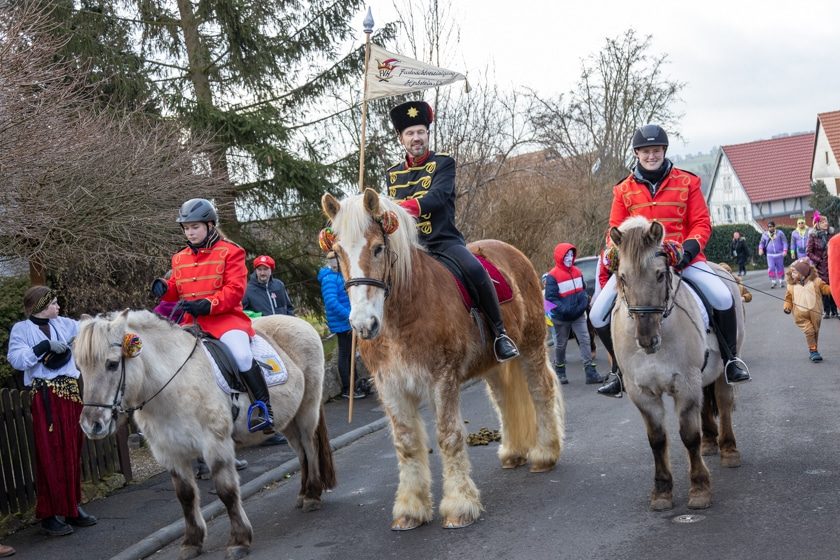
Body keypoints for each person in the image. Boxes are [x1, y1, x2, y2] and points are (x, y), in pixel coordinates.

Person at [590, 124, 751, 398]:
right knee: (597, 314)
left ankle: (731, 360)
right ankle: (618, 371)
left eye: (656, 150)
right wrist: (616, 253)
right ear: (637, 153)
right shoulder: (623, 190)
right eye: (645, 151)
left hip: (683, 260)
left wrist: (685, 251)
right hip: (641, 268)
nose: (651, 156)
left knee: (723, 297)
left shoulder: (687, 182)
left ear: (663, 151)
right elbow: (614, 229)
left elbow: (701, 223)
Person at [385, 100, 518, 361]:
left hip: (443, 242)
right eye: (410, 133)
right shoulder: (392, 174)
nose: (416, 138)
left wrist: (400, 209)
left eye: (421, 132)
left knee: (474, 269)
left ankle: (500, 334)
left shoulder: (444, 163)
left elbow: (437, 197)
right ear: (401, 139)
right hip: (410, 248)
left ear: (428, 134)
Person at [151, 198, 275, 433]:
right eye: (186, 228)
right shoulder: (179, 258)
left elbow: (235, 290)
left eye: (195, 227)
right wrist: (164, 288)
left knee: (241, 355)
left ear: (209, 225)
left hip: (226, 321)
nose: (190, 233)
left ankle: (264, 409)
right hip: (192, 324)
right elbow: (177, 287)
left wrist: (207, 305)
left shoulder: (231, 252)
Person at [6, 286, 98, 536]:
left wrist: (96, 321)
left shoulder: (64, 324)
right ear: (41, 306)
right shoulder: (22, 330)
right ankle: (50, 513)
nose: (58, 307)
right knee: (51, 453)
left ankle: (71, 507)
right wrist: (43, 347)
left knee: (71, 449)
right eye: (54, 303)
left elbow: (86, 326)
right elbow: (16, 359)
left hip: (70, 394)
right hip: (45, 397)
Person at [544, 243, 603, 385]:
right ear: (560, 257)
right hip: (561, 318)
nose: (570, 258)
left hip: (578, 315)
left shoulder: (577, 272)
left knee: (585, 340)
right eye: (567, 255)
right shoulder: (552, 276)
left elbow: (583, 291)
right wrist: (565, 310)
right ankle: (560, 371)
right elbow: (550, 299)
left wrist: (582, 306)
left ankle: (590, 372)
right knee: (561, 345)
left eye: (571, 255)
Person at [318, 251, 365, 399]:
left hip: (348, 320)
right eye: (333, 260)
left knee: (351, 353)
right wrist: (349, 315)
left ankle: (355, 384)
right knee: (345, 354)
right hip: (342, 322)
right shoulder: (329, 279)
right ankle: (347, 388)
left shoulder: (341, 275)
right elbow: (331, 302)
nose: (335, 263)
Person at [783, 259, 832, 362]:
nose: (792, 274)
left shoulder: (816, 282)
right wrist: (787, 307)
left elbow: (825, 288)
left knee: (815, 332)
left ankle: (814, 350)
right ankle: (813, 351)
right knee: (809, 331)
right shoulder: (791, 286)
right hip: (800, 315)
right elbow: (788, 299)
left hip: (816, 313)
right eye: (792, 272)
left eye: (795, 272)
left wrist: (833, 289)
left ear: (803, 273)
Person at [807, 212, 837, 318]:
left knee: (834, 286)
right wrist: (818, 260)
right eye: (823, 221)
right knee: (824, 288)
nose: (826, 223)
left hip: (832, 265)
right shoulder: (813, 236)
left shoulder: (831, 234)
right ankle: (827, 311)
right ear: (817, 224)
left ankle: (835, 311)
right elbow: (809, 252)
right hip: (820, 267)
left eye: (826, 221)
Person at [758, 221, 788, 289]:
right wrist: (760, 249)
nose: (770, 228)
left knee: (780, 268)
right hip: (770, 255)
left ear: (774, 227)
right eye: (768, 227)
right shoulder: (765, 234)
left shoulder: (780, 233)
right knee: (771, 268)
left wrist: (785, 250)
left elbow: (785, 242)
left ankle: (781, 280)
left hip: (779, 254)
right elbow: (761, 243)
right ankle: (773, 281)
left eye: (771, 226)